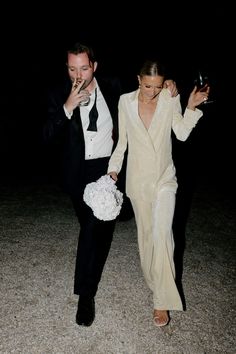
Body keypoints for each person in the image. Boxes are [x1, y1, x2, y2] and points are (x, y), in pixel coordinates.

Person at [43, 43, 178, 327]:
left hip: (108, 169)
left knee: (95, 229)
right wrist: (67, 107)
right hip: (77, 173)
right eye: (71, 68)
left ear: (94, 66)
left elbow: (143, 94)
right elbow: (46, 137)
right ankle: (89, 283)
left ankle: (85, 295)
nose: (77, 74)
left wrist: (168, 86)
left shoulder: (113, 87)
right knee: (94, 229)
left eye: (83, 67)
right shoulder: (58, 94)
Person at [108, 59, 209, 327]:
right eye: (148, 85)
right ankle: (157, 283)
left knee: (163, 234)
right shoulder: (125, 102)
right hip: (138, 183)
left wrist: (190, 107)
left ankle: (161, 301)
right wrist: (113, 170)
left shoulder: (168, 98)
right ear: (138, 79)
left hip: (165, 179)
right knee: (147, 241)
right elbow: (122, 143)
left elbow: (182, 134)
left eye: (157, 86)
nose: (152, 91)